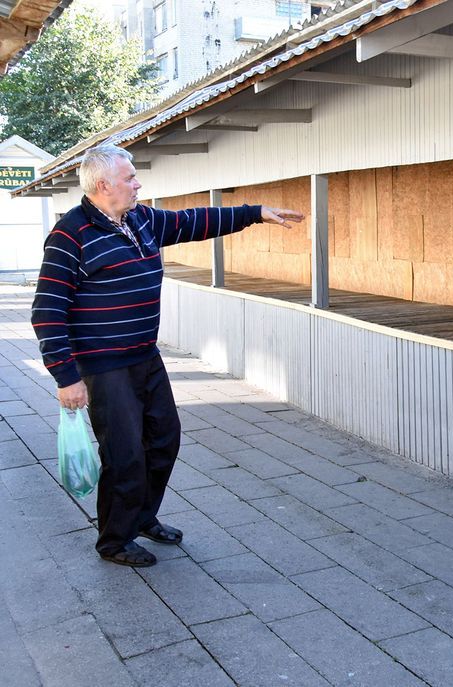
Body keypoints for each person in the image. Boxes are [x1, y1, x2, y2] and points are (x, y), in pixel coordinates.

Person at [32, 144, 304, 567]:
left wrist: (254, 213)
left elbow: (192, 221)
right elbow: (47, 311)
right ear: (103, 185)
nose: (137, 184)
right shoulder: (70, 235)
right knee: (124, 455)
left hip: (145, 355)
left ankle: (142, 517)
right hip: (104, 366)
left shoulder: (140, 219)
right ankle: (114, 541)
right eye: (130, 178)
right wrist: (66, 377)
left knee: (163, 440)